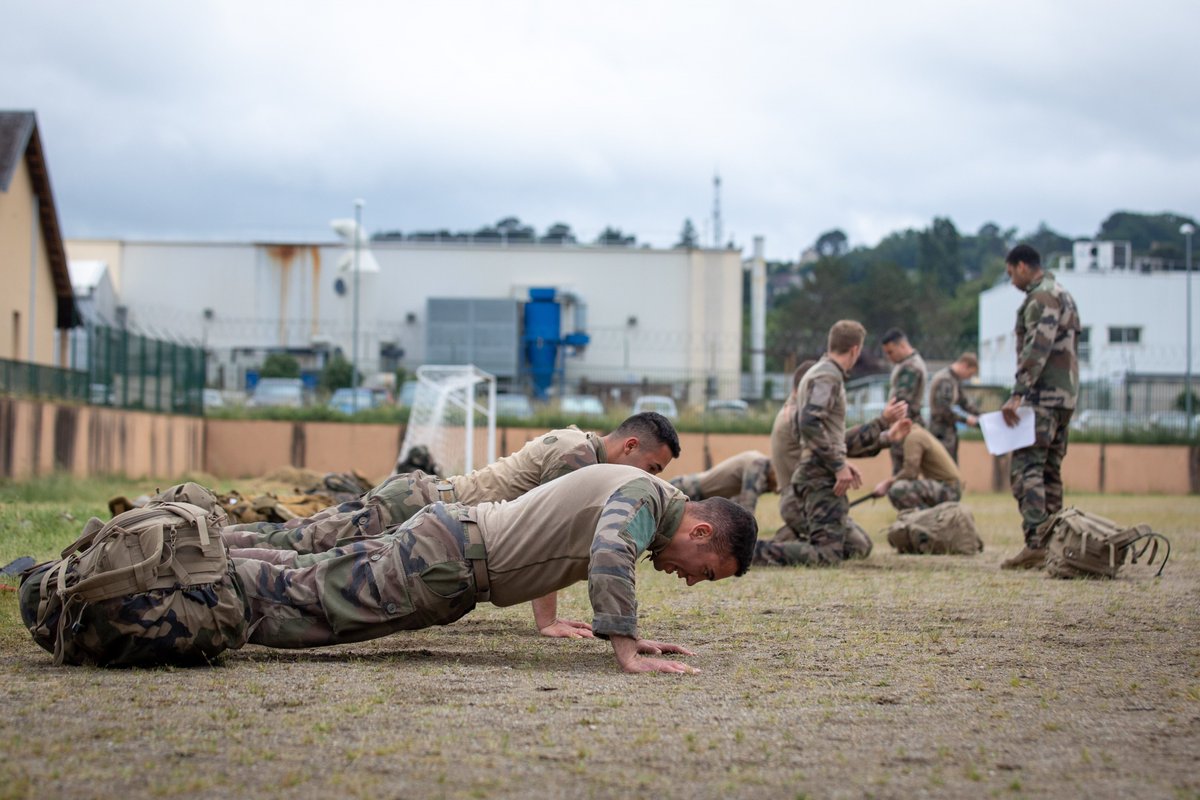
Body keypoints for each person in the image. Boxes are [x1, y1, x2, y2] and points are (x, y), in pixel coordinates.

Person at [230, 464, 758, 674]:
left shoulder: (648, 498)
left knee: (303, 573)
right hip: (445, 560)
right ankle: (191, 579)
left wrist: (623, 635)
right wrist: (625, 650)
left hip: (449, 543)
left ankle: (208, 557)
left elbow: (553, 539)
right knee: (306, 602)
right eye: (704, 572)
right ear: (701, 533)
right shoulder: (646, 497)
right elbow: (609, 553)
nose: (690, 581)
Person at [221, 412, 680, 554]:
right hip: (413, 505)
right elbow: (547, 532)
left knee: (306, 541)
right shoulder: (576, 456)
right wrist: (548, 623)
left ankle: (216, 543)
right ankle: (208, 543)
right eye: (652, 469)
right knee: (301, 543)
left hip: (423, 502)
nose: (648, 480)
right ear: (630, 444)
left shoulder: (580, 446)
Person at [754, 320, 867, 567]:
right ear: (855, 350)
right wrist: (838, 465)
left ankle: (760, 549)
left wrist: (841, 461)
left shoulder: (817, 372)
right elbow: (809, 422)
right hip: (820, 475)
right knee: (827, 555)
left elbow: (806, 424)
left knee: (847, 547)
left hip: (816, 470)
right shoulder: (828, 375)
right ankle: (754, 552)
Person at [999, 244, 1081, 569]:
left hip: (1042, 398)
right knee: (1049, 470)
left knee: (1027, 467)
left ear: (1022, 266)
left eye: (1009, 274)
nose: (1011, 282)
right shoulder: (1063, 293)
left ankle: (1037, 542)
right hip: (1065, 398)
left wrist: (1018, 393)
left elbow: (1039, 348)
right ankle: (1056, 544)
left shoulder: (1042, 297)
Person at [871, 426, 963, 510]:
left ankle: (925, 522)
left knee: (898, 489)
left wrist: (888, 484)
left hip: (949, 490)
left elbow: (911, 472)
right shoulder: (917, 433)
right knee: (902, 487)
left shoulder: (913, 437)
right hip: (949, 487)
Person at [881, 328, 928, 473]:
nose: (889, 357)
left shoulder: (910, 367)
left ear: (902, 345)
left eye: (891, 352)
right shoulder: (907, 364)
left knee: (902, 473)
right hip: (906, 425)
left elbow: (901, 401)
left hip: (905, 425)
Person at [669, 450, 774, 514]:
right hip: (686, 491)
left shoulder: (761, 467)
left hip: (696, 497)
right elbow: (747, 507)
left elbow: (735, 505)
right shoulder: (757, 464)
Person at [928, 352, 982, 463]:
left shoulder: (954, 380)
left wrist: (983, 416)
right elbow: (943, 410)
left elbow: (965, 403)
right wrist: (966, 420)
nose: (969, 377)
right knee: (943, 469)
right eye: (970, 374)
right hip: (940, 432)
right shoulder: (945, 380)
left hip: (948, 432)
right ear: (964, 365)